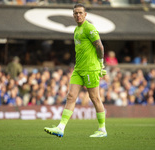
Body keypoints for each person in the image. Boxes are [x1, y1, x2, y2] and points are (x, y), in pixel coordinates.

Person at [44, 3, 107, 138]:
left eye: (80, 13)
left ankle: (102, 129)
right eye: (75, 13)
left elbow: (100, 47)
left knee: (95, 98)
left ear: (85, 14)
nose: (78, 15)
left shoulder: (89, 28)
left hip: (90, 69)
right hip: (78, 69)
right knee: (71, 96)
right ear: (73, 15)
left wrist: (101, 64)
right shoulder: (76, 30)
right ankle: (61, 128)